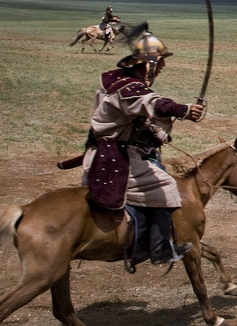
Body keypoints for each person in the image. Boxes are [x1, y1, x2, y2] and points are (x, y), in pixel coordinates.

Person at [80, 23, 205, 271]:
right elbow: (155, 104)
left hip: (112, 148)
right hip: (115, 155)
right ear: (148, 64)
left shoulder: (122, 83)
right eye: (160, 62)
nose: (163, 67)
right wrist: (184, 110)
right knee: (165, 184)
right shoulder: (129, 88)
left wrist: (157, 133)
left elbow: (137, 116)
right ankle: (159, 248)